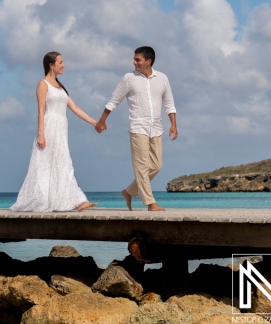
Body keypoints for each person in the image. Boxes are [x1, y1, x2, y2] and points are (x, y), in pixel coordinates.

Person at [11, 52, 98, 212]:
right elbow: (41, 111)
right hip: (49, 126)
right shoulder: (43, 84)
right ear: (51, 65)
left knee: (63, 162)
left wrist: (94, 122)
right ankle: (65, 201)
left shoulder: (61, 87)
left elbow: (75, 108)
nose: (63, 65)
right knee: (45, 164)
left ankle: (72, 201)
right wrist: (41, 134)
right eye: (60, 62)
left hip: (61, 128)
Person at [95, 46, 177, 212]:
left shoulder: (162, 78)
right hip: (138, 126)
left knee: (156, 165)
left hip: (156, 127)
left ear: (148, 61)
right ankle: (150, 203)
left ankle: (129, 191)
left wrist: (173, 124)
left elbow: (169, 103)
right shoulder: (128, 78)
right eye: (134, 59)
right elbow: (114, 100)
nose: (134, 62)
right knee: (141, 166)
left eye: (138, 60)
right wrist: (101, 120)